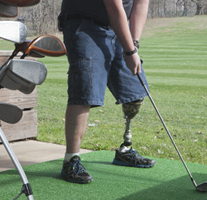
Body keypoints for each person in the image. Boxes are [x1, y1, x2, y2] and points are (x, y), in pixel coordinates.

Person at [58, 0, 155, 184]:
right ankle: (71, 160)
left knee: (135, 92)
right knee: (84, 92)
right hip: (84, 24)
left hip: (118, 27)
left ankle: (125, 150)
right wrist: (129, 52)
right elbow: (113, 5)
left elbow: (141, 3)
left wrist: (133, 45)